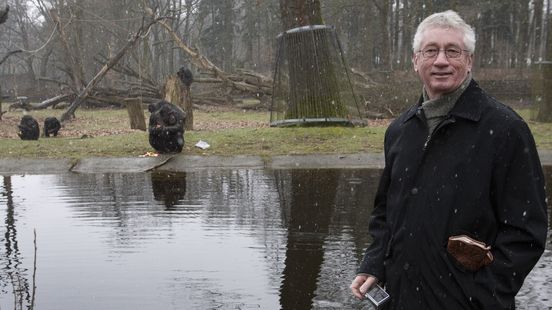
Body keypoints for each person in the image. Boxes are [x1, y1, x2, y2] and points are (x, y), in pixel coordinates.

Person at [350, 10, 548, 309]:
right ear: (416, 61)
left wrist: (483, 293)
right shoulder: (400, 130)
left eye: (452, 51)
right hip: (401, 298)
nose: (441, 61)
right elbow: (384, 214)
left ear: (469, 61)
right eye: (430, 51)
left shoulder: (505, 130)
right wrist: (374, 263)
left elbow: (527, 233)